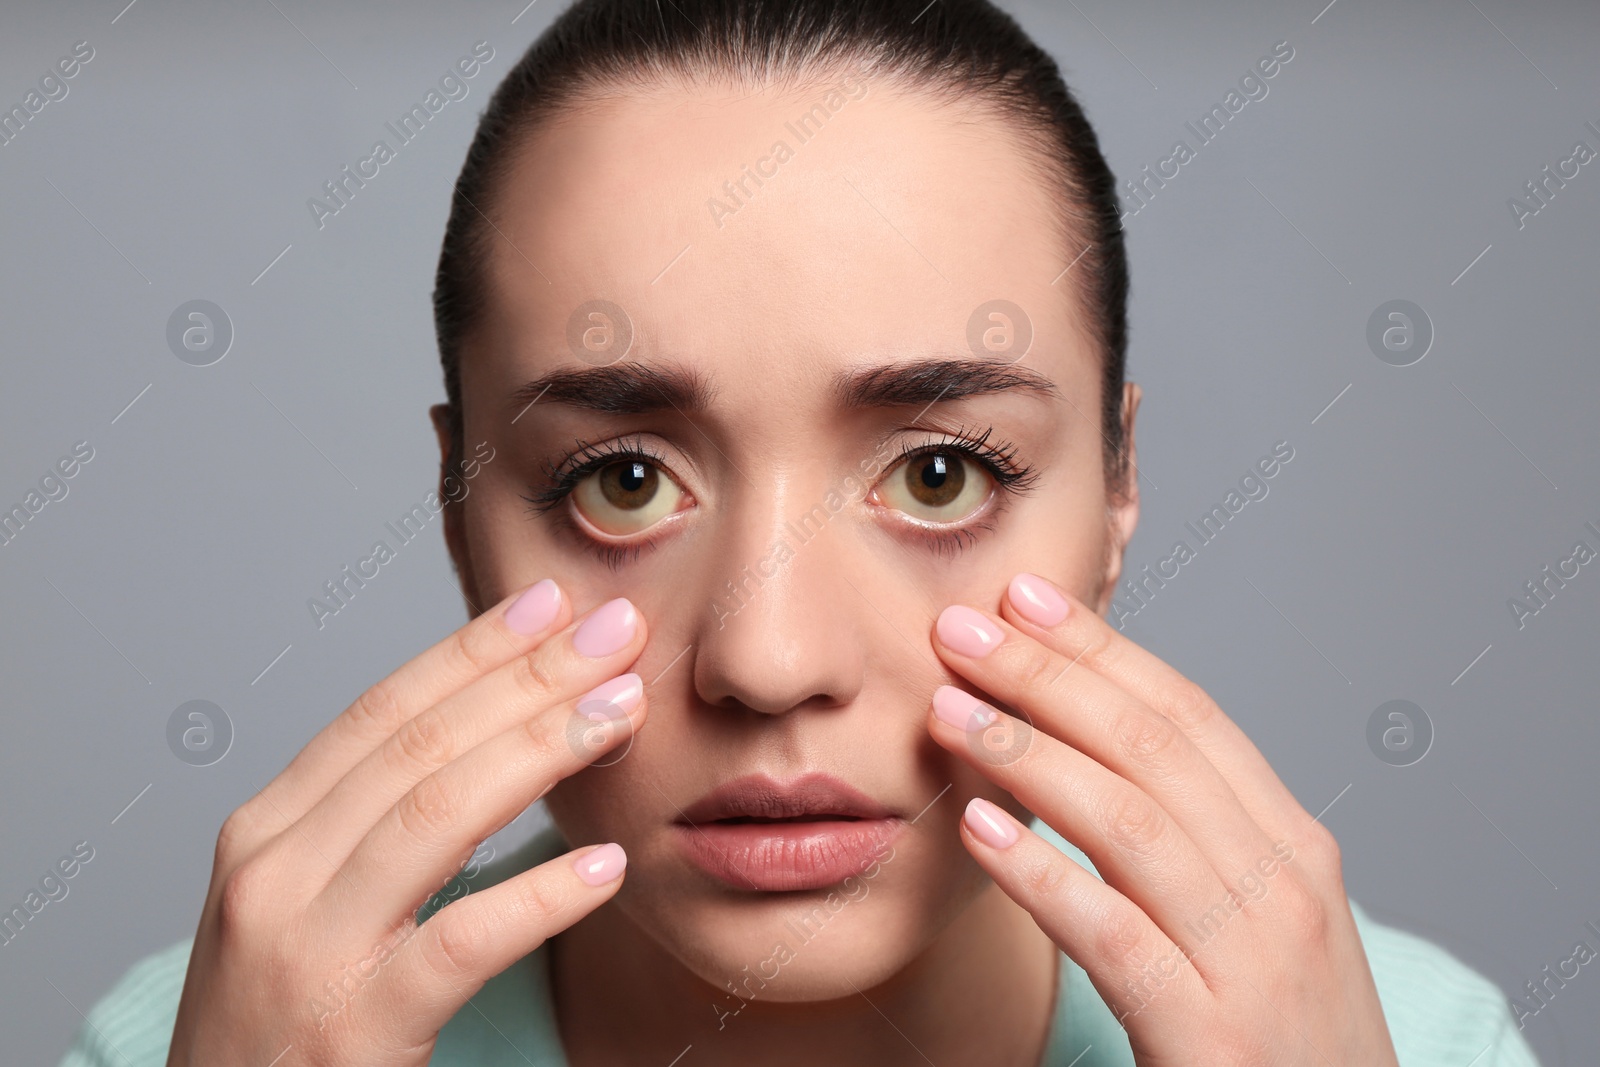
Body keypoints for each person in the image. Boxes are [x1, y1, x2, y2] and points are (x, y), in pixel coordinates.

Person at [61, 0, 1540, 1063]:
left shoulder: (1409, 1043)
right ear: (462, 517)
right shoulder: (197, 1045)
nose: (768, 662)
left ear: (1119, 489)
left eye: (943, 474)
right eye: (622, 482)